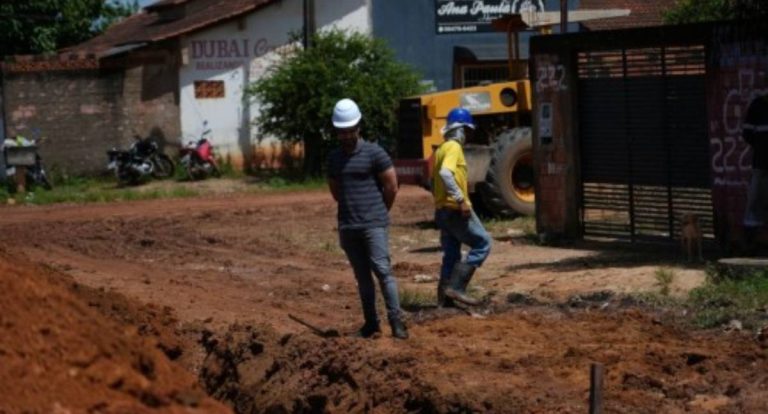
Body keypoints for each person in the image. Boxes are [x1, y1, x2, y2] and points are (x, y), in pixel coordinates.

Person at [326, 98, 408, 339]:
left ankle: (397, 323)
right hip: (349, 225)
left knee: (383, 272)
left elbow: (391, 186)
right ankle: (371, 324)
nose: (346, 135)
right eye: (342, 131)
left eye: (350, 130)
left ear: (358, 127)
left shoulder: (375, 152)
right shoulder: (334, 158)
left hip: (373, 224)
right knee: (362, 277)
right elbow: (335, 191)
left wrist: (380, 213)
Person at [432, 107, 492, 307]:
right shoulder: (453, 148)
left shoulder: (440, 149)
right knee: (483, 243)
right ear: (459, 130)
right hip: (455, 208)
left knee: (451, 254)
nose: (467, 135)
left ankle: (444, 301)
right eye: (466, 130)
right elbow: (446, 174)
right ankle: (457, 288)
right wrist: (461, 200)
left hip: (442, 210)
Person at [743, 94, 768, 251]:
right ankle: (753, 240)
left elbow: (748, 134)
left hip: (761, 160)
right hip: (761, 163)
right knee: (756, 198)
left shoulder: (758, 104)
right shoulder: (758, 105)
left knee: (756, 197)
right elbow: (747, 134)